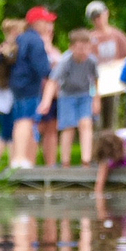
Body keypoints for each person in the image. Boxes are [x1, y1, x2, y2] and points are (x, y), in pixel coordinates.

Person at [39, 28, 99, 166]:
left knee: (86, 123)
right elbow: (52, 81)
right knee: (68, 126)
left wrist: (96, 100)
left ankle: (86, 159)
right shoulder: (65, 61)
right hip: (67, 96)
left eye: (86, 48)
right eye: (79, 48)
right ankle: (65, 161)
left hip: (84, 95)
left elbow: (95, 81)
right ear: (72, 47)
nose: (83, 52)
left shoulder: (91, 61)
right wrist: (46, 101)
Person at [9, 6, 54, 168]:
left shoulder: (21, 38)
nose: (48, 25)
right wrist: (52, 74)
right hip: (29, 86)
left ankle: (18, 157)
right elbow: (42, 68)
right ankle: (19, 159)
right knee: (26, 120)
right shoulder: (35, 40)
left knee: (19, 120)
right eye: (46, 22)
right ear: (36, 23)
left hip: (16, 85)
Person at [86, 0, 126, 128]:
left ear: (106, 14)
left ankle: (112, 143)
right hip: (97, 82)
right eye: (94, 18)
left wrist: (118, 63)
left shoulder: (116, 35)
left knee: (112, 116)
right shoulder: (90, 38)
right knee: (97, 119)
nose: (98, 20)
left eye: (99, 16)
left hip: (114, 82)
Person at [0, 18, 25, 165]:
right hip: (5, 95)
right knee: (7, 131)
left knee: (10, 130)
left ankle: (11, 161)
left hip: (1, 94)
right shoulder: (8, 50)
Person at [36, 21, 63, 166]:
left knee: (52, 129)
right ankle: (29, 162)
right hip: (38, 94)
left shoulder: (55, 51)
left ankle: (50, 164)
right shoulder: (37, 50)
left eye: (51, 32)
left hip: (54, 97)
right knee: (37, 128)